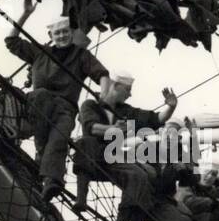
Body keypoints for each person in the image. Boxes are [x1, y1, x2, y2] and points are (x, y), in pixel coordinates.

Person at [5, 0, 108, 199]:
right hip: (40, 103)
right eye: (57, 33)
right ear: (51, 35)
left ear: (71, 33)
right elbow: (12, 41)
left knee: (59, 139)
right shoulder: (40, 52)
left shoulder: (81, 55)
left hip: (65, 108)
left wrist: (104, 94)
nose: (61, 36)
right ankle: (44, 163)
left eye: (65, 32)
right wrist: (25, 14)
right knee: (42, 97)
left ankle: (52, 182)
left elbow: (102, 74)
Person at [74, 72, 177, 213]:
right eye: (127, 89)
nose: (130, 94)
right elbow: (91, 128)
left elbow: (155, 119)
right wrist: (115, 129)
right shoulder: (90, 105)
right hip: (92, 159)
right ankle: (81, 199)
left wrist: (170, 107)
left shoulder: (127, 112)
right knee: (86, 142)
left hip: (114, 160)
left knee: (139, 175)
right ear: (116, 86)